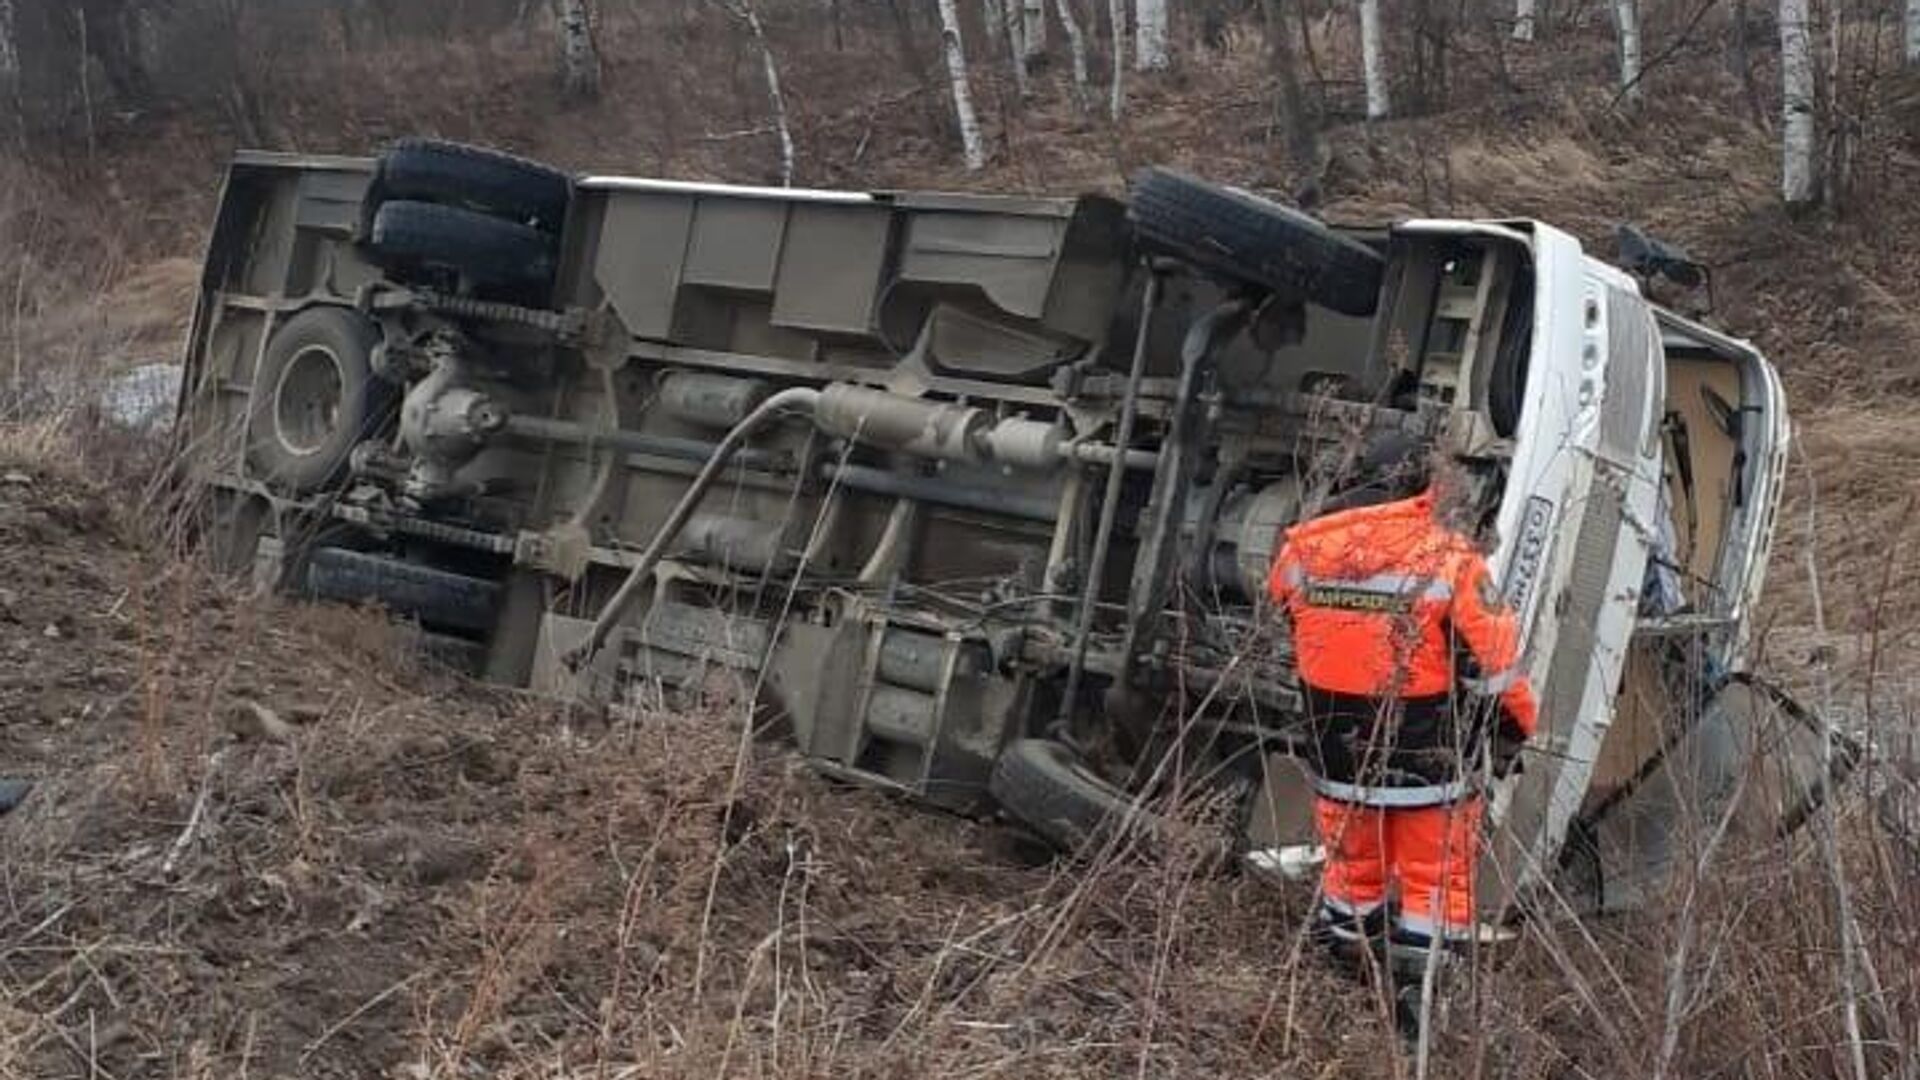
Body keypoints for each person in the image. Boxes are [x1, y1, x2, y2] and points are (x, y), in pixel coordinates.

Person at [1267, 450, 1538, 964]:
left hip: (1336, 750)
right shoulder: (1452, 561)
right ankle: (1419, 995)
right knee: (1434, 879)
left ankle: (1348, 973)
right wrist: (1515, 730)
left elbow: (1290, 620)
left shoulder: (1299, 553)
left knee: (1352, 871)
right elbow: (1497, 666)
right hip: (1428, 756)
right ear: (1422, 489)